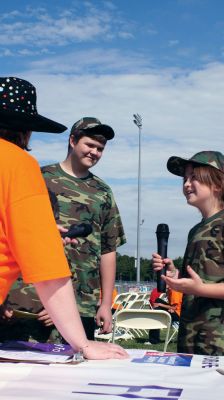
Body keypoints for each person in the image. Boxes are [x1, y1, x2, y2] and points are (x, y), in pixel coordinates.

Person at [0, 76, 128, 360]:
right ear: (26, 130)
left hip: (79, 300)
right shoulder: (20, 166)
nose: (95, 151)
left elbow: (109, 247)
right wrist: (83, 345)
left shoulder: (103, 192)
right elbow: (46, 270)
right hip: (31, 304)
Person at [152, 150, 224, 359]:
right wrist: (176, 276)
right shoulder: (196, 230)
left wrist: (202, 289)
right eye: (185, 178)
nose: (186, 184)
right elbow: (201, 280)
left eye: (194, 177)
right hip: (192, 340)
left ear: (218, 183)